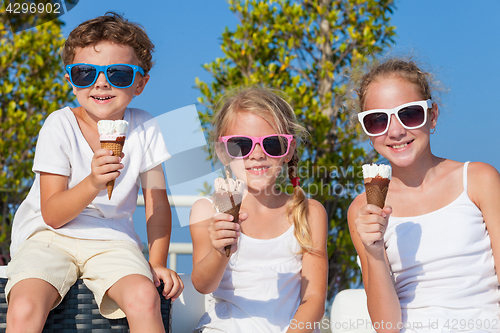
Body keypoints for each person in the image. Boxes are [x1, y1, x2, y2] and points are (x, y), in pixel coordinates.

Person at [5, 12, 183, 333]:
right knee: (24, 305)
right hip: (48, 237)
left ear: (141, 83)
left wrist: (156, 261)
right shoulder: (59, 125)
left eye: (119, 73)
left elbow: (157, 205)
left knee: (145, 297)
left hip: (112, 240)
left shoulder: (145, 126)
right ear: (71, 80)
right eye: (86, 73)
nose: (101, 82)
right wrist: (92, 182)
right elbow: (53, 214)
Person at [348, 58, 500, 332]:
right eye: (378, 120)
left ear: (432, 116)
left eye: (409, 114)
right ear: (368, 133)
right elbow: (387, 326)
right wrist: (373, 251)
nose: (395, 131)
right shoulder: (363, 208)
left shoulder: (479, 180)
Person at [189, 87, 328, 333]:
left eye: (272, 144)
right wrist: (221, 250)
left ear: (289, 150)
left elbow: (314, 298)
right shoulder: (206, 210)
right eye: (240, 145)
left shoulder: (309, 213)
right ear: (223, 152)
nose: (256, 154)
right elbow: (203, 284)